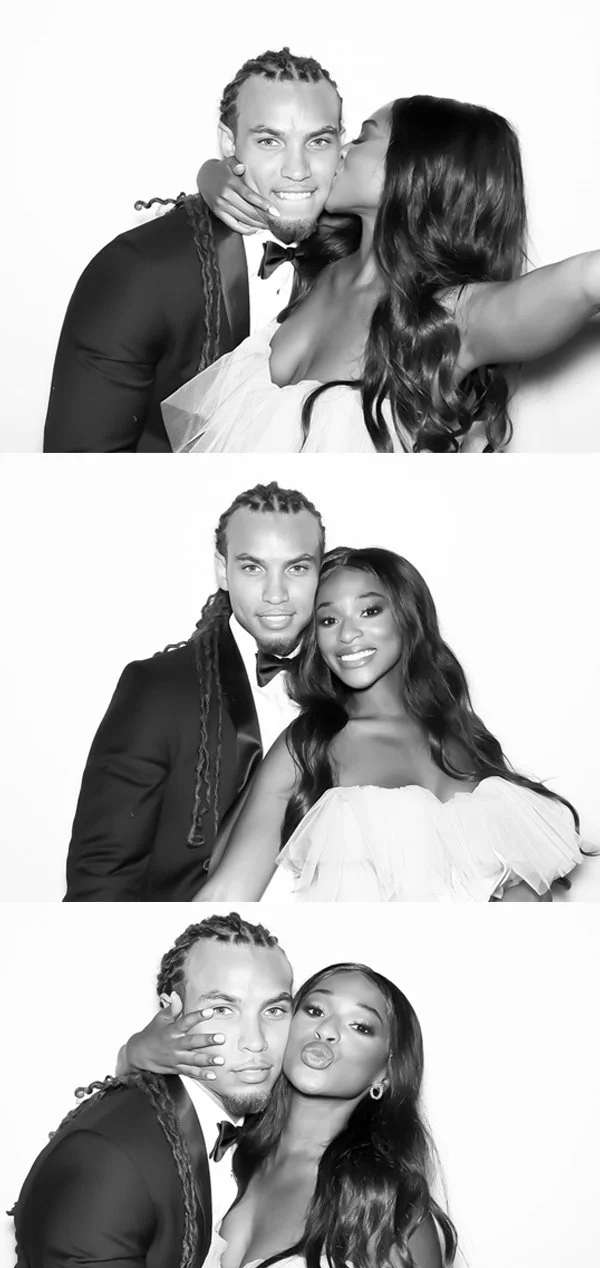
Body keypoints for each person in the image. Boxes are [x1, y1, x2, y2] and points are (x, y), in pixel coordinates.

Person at [163, 94, 600, 454]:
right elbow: (247, 181)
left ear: (417, 167)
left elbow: (585, 279)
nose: (340, 150)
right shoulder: (312, 260)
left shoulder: (450, 315)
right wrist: (215, 175)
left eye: (361, 138)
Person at [196, 547, 583, 902]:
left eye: (369, 611)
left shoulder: (463, 735)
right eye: (328, 619)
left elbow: (531, 899)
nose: (347, 634)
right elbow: (228, 894)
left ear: (407, 615)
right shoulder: (310, 745)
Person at [123, 959, 467, 1268]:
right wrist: (132, 1056)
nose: (328, 1030)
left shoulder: (391, 1213)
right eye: (315, 1010)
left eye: (361, 1026)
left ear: (384, 1075)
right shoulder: (216, 1155)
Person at [13, 915, 294, 1268]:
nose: (256, 1042)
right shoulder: (106, 1163)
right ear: (170, 1013)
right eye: (223, 1009)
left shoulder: (269, 1125)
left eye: (274, 1011)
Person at [42, 49, 343, 452]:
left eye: (318, 141)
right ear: (228, 142)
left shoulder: (359, 256)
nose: (297, 169)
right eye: (269, 140)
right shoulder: (138, 272)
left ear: (342, 145)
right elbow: (79, 469)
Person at [64, 481, 323, 901]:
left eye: (296, 568)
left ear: (320, 571)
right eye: (253, 567)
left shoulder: (350, 690)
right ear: (223, 570)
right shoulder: (159, 688)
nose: (275, 594)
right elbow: (101, 880)